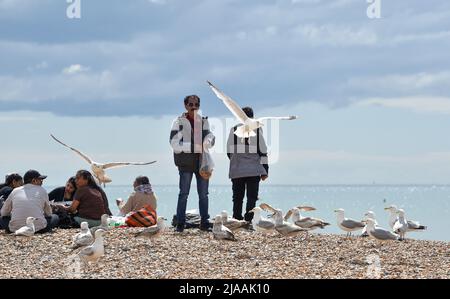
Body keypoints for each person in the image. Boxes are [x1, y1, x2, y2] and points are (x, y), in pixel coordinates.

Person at [170, 94, 215, 232]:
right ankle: (180, 223)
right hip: (185, 164)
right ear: (185, 105)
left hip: (202, 163)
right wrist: (194, 147)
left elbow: (210, 137)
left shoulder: (204, 121)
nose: (194, 107)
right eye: (191, 104)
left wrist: (209, 140)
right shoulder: (178, 122)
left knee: (204, 194)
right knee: (184, 193)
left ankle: (204, 222)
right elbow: (174, 143)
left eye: (196, 105)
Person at [227, 107, 269, 222]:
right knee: (252, 197)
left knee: (237, 197)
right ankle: (248, 219)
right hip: (253, 169)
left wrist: (236, 160)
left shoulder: (233, 129)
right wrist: (265, 170)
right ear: (252, 117)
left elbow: (228, 151)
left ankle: (236, 218)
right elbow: (263, 151)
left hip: (237, 169)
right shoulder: (257, 129)